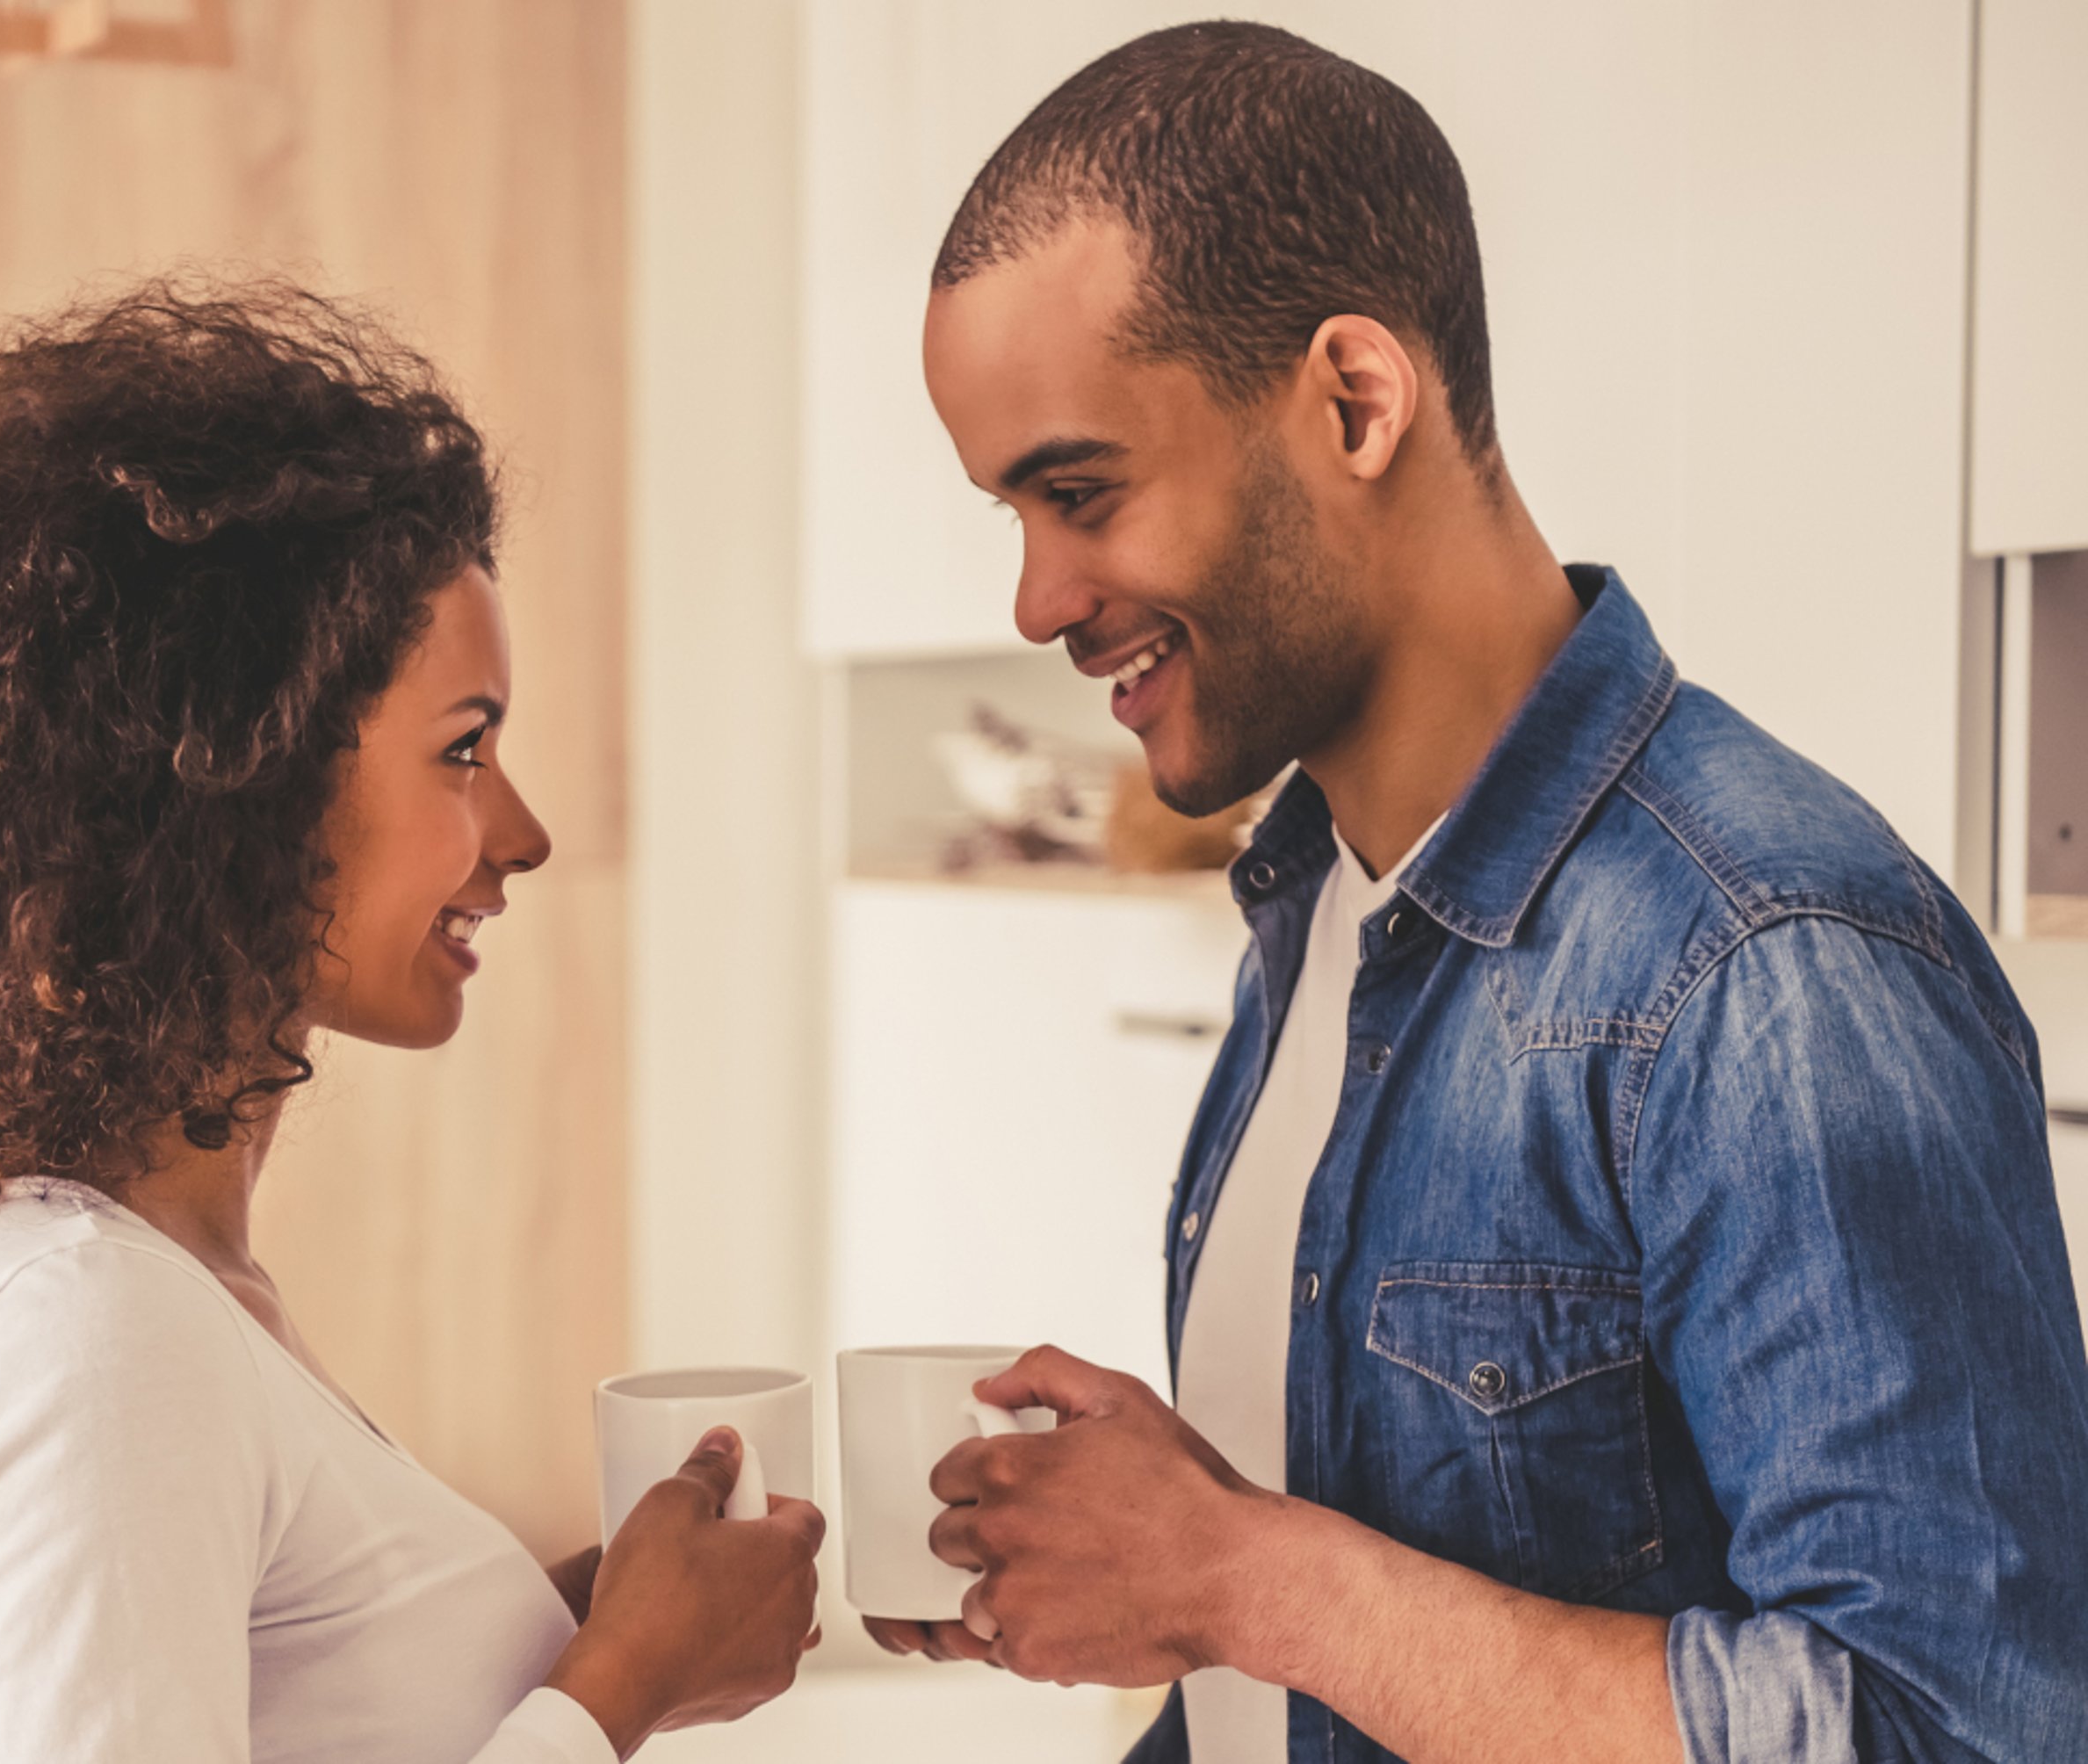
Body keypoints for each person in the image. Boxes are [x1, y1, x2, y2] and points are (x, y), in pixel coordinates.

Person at [881, 22, 2088, 1764]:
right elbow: (1321, 1688)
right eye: (1015, 510)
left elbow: (1957, 1727)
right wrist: (1170, 1586)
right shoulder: (1312, 910)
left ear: (1355, 401)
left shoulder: (1769, 959)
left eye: (1081, 491)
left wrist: (1244, 1575)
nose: (1036, 596)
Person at [0, 280, 824, 1764]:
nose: (523, 834)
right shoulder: (86, 1330)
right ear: (231, 785)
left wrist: (579, 1642)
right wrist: (618, 1698)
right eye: (464, 750)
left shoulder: (147, 1285)